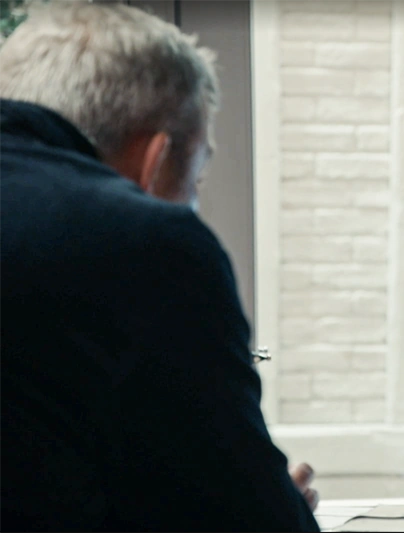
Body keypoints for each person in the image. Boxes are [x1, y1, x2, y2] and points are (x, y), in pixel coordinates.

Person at [0, 2, 320, 530]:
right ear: (153, 158)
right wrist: (268, 499)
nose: (194, 203)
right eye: (196, 180)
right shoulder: (140, 243)